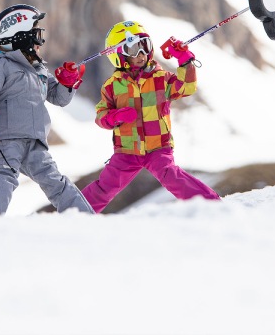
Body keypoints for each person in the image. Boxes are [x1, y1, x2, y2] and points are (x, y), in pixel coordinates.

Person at [81, 21, 221, 213]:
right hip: (127, 151)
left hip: (158, 147)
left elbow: (187, 86)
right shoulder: (112, 86)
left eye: (144, 46)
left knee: (172, 176)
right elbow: (101, 115)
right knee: (105, 186)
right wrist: (115, 116)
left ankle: (212, 206)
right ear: (118, 55)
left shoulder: (161, 78)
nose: (141, 54)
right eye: (133, 49)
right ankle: (74, 213)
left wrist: (184, 59)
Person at [0, 3, 94, 215]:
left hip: (35, 141)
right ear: (18, 37)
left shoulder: (37, 68)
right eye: (35, 35)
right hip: (7, 139)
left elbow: (58, 98)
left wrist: (66, 83)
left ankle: (84, 218)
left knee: (54, 180)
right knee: (5, 177)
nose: (40, 41)